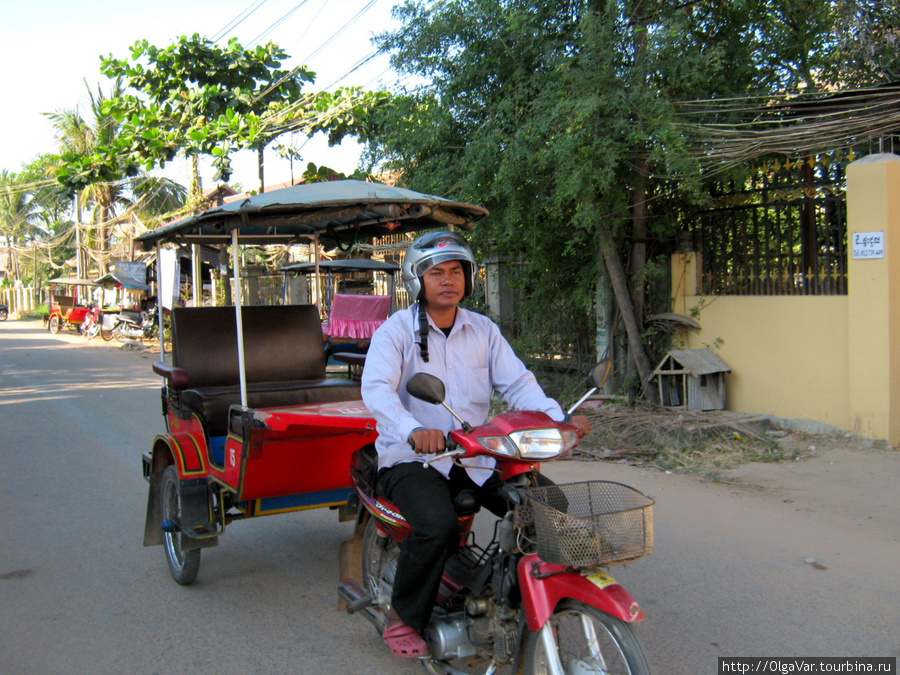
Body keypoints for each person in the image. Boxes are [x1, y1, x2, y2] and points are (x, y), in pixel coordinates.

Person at [360, 230, 591, 659]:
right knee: (438, 526)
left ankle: (514, 597)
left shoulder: (483, 329)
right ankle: (404, 618)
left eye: (456, 271)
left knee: (546, 509)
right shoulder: (395, 331)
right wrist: (413, 429)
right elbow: (377, 390)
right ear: (417, 281)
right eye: (436, 273)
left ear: (469, 277)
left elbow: (519, 383)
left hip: (476, 455)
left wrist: (557, 421)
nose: (448, 280)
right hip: (413, 458)